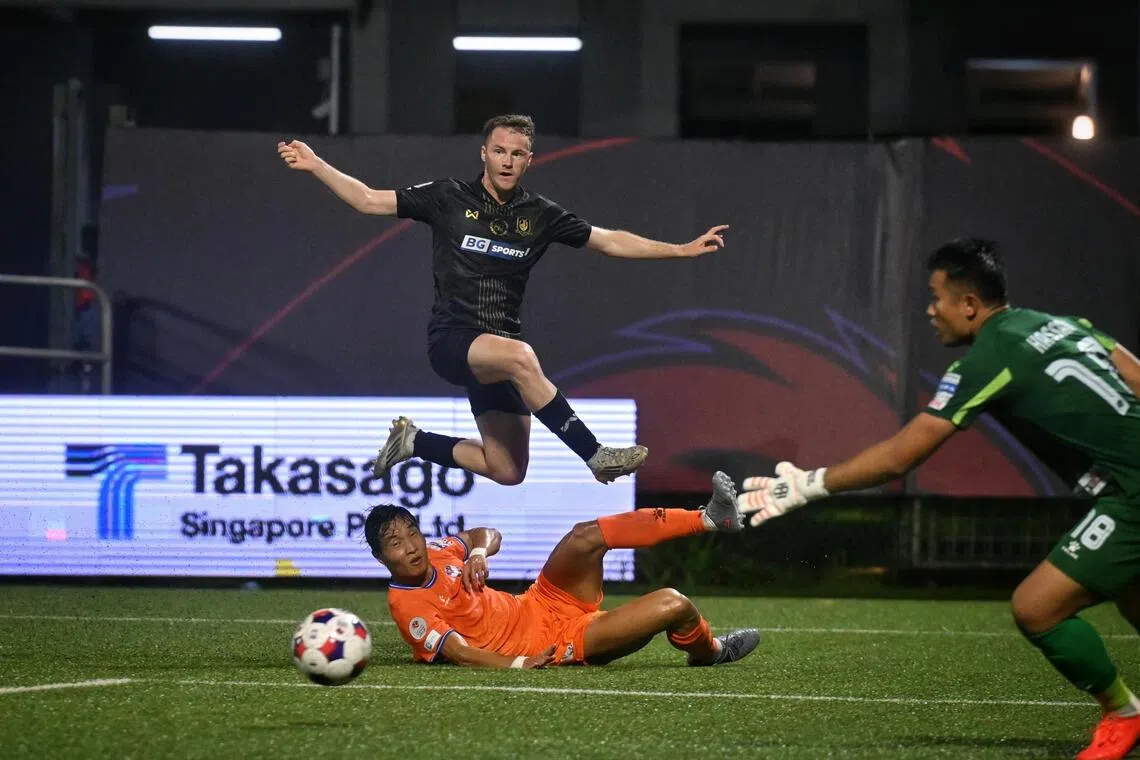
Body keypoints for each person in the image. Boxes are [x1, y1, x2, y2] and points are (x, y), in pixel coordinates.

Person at [737, 238, 1140, 760]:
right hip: (1126, 489)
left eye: (936, 298)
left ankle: (1123, 712)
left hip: (1132, 496)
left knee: (1038, 609)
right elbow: (1134, 375)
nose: (930, 311)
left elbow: (901, 456)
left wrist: (809, 485)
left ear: (969, 304)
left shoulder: (991, 358)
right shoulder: (1064, 325)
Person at [278, 114, 728, 486]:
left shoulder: (541, 214)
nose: (507, 161)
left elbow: (609, 240)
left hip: (501, 351)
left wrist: (680, 248)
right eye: (499, 151)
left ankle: (414, 442)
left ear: (529, 160)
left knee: (508, 470)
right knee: (521, 357)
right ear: (484, 153)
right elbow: (368, 200)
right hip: (454, 341)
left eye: (517, 154)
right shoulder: (449, 197)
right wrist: (318, 164)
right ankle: (595, 455)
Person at [366, 471, 759, 668]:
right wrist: (520, 663)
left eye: (412, 533)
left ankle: (707, 518)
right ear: (381, 558)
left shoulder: (436, 551)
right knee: (675, 604)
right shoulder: (407, 606)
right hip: (558, 641)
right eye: (396, 544)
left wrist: (478, 553)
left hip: (540, 600)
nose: (412, 547)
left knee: (585, 535)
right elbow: (458, 652)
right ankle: (710, 651)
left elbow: (487, 533)